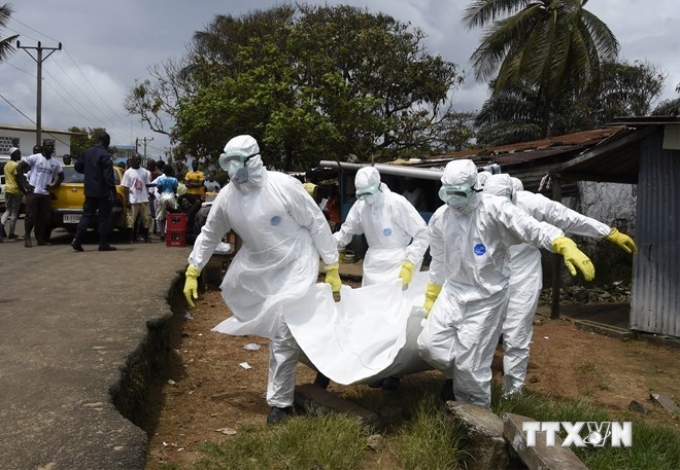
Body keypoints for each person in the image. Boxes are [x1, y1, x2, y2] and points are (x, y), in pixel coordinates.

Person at [182, 135, 342, 425]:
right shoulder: (228, 197)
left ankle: (280, 404)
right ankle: (323, 361)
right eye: (226, 163)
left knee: (282, 328)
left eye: (236, 162)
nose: (231, 171)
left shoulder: (283, 187)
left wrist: (331, 264)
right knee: (287, 328)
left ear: (252, 159)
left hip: (297, 260)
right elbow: (210, 233)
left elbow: (316, 222)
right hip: (260, 267)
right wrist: (193, 269)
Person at [416, 159, 595, 408]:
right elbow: (438, 257)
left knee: (471, 366)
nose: (453, 200)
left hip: (486, 298)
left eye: (459, 193)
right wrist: (432, 291)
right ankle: (457, 380)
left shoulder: (494, 209)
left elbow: (530, 227)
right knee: (429, 346)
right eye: (448, 192)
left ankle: (480, 421)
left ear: (474, 189)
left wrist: (561, 242)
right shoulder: (441, 218)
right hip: (453, 292)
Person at [484, 173, 637, 398]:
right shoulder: (481, 205)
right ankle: (475, 389)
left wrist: (607, 232)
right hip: (491, 273)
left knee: (517, 335)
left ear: (513, 195)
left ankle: (512, 394)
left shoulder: (530, 203)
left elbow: (567, 217)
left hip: (523, 275)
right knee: (481, 329)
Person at [332, 166, 429, 390]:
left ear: (378, 186)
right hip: (374, 264)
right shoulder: (361, 206)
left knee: (395, 320)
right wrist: (325, 245)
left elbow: (422, 233)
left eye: (368, 193)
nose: (365, 198)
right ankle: (377, 367)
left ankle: (395, 372)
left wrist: (410, 263)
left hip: (397, 265)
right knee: (372, 318)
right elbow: (346, 232)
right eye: (361, 194)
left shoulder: (397, 203)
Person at [70, 132, 118, 252]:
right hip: (103, 191)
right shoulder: (105, 155)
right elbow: (108, 176)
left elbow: (77, 166)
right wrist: (113, 190)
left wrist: (89, 172)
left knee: (87, 215)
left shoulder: (88, 152)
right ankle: (103, 243)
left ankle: (77, 239)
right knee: (104, 217)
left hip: (90, 190)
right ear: (107, 142)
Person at [16, 140, 64, 247]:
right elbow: (19, 167)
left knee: (44, 218)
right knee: (30, 217)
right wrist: (25, 183)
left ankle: (40, 239)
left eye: (52, 146)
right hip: (33, 192)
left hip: (45, 194)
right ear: (43, 147)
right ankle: (27, 239)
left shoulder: (55, 163)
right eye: (48, 146)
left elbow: (61, 176)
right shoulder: (35, 157)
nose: (50, 148)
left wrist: (54, 186)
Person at [121, 154, 154, 243]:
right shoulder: (128, 172)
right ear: (132, 160)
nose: (138, 161)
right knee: (131, 219)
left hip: (143, 199)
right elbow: (125, 187)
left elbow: (147, 184)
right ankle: (130, 238)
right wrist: (127, 200)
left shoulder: (144, 172)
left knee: (146, 218)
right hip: (133, 199)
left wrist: (152, 190)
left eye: (139, 159)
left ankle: (146, 237)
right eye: (136, 159)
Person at [1, 147, 23, 241]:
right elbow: (18, 179)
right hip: (15, 191)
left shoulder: (6, 165)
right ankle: (11, 233)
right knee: (14, 213)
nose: (20, 155)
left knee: (7, 210)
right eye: (18, 153)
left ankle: (1, 226)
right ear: (13, 154)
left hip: (7, 190)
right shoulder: (15, 165)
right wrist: (24, 190)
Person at [153, 165, 179, 241]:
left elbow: (159, 190)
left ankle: (161, 233)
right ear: (171, 171)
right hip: (171, 196)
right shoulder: (174, 180)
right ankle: (169, 232)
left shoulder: (160, 179)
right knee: (171, 215)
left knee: (161, 216)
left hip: (163, 196)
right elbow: (175, 190)